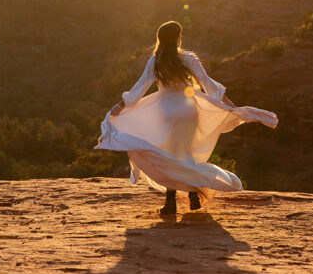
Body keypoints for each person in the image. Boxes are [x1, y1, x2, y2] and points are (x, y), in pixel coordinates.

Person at [95, 20, 278, 215]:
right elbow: (208, 83)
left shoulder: (155, 61)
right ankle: (193, 198)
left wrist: (121, 105)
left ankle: (171, 202)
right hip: (189, 109)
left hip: (167, 112)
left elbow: (139, 88)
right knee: (188, 154)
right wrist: (229, 104)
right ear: (178, 38)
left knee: (170, 155)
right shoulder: (189, 58)